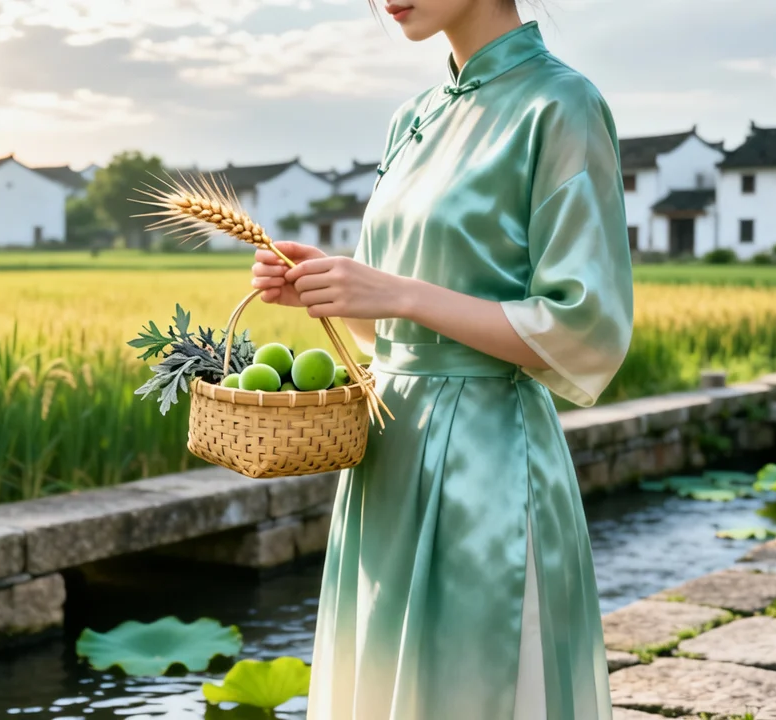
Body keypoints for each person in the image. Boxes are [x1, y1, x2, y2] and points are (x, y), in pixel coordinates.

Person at [251, 2, 633, 718]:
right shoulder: (414, 116)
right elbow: (392, 331)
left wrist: (399, 290)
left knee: (474, 686)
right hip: (387, 448)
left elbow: (583, 327)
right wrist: (333, 290)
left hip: (484, 458)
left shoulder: (562, 103)